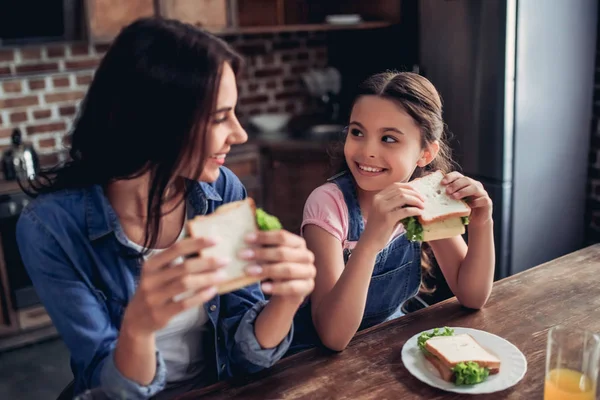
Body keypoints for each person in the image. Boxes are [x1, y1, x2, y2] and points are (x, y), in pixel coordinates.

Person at [16, 18, 315, 399]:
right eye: (221, 117)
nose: (239, 134)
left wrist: (287, 299)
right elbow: (106, 383)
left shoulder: (222, 190)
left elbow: (247, 359)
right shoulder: (49, 227)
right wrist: (138, 328)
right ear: (160, 120)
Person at [289, 71, 495, 353]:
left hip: (387, 344)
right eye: (357, 132)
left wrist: (483, 222)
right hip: (315, 360)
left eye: (388, 139)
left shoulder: (425, 199)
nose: (367, 151)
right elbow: (332, 336)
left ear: (426, 153)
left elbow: (473, 296)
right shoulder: (327, 205)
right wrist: (371, 240)